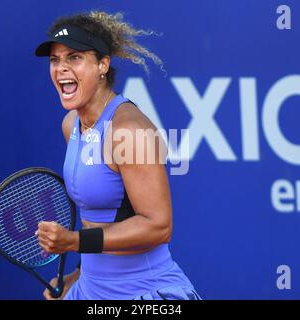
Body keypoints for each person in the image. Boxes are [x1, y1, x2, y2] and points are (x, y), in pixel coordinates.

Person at [34, 10, 200, 300]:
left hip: (145, 293)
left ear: (102, 64)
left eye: (74, 57)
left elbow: (158, 226)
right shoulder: (71, 125)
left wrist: (73, 241)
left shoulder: (130, 130)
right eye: (55, 60)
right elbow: (95, 218)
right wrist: (77, 276)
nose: (60, 68)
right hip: (91, 288)